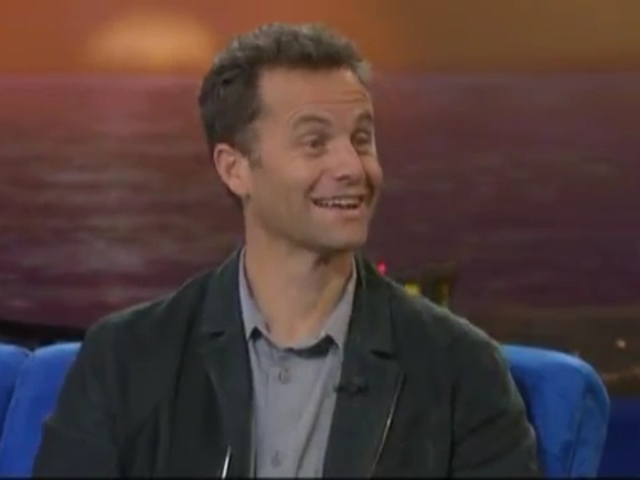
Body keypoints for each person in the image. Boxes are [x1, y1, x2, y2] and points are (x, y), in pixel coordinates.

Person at [33, 23, 540, 478]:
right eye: (315, 143)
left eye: (361, 139)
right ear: (235, 168)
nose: (352, 167)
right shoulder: (127, 358)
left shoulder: (460, 371)